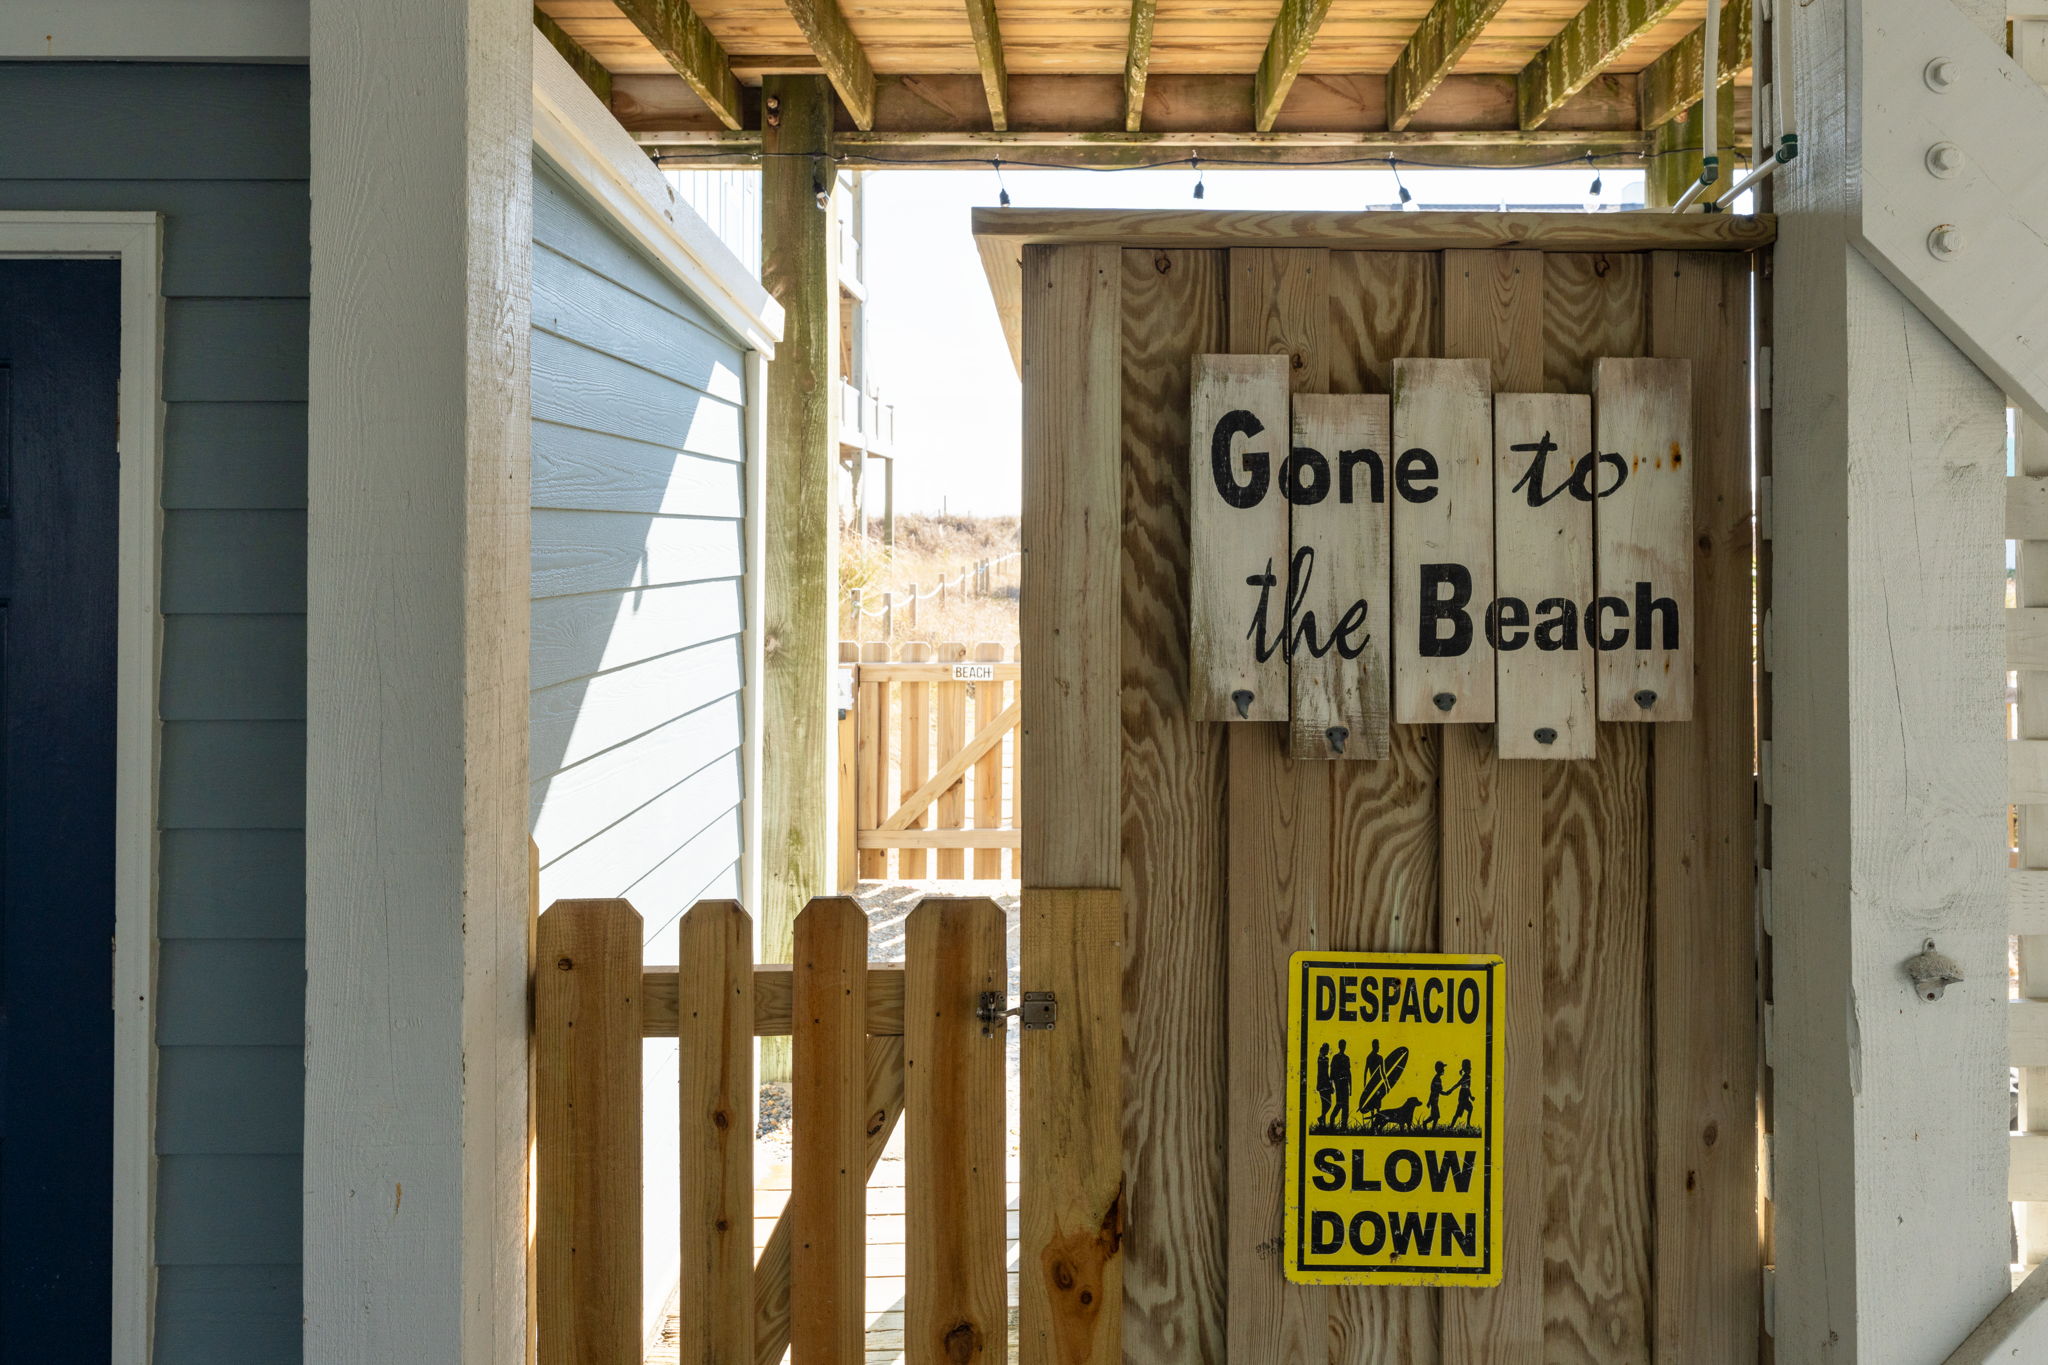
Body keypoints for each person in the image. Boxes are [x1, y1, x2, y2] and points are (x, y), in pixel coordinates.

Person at [1329, 1039, 1354, 1130]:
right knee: (1339, 1104)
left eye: (1344, 1045)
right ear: (1339, 1046)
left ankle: (1344, 1126)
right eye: (1342, 1045)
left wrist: (1351, 1087)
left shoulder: (1347, 1058)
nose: (1343, 1047)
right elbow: (1332, 1072)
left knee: (1346, 1106)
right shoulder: (1335, 1057)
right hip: (1338, 1084)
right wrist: (1332, 1084)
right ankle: (1332, 1120)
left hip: (1345, 1084)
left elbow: (1349, 1072)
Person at [1450, 1059, 1476, 1131]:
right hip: (1463, 1097)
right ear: (1466, 1069)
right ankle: (1451, 1126)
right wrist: (1450, 1091)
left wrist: (1471, 1096)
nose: (1470, 1070)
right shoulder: (1466, 1077)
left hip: (1465, 1096)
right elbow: (1458, 1084)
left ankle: (1467, 1124)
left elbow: (1467, 1088)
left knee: (1470, 1109)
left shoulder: (1468, 1077)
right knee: (1458, 1113)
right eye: (1469, 1068)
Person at [1426, 1060, 1449, 1130]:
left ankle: (1432, 1129)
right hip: (1434, 1100)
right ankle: (1426, 1124)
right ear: (1440, 1069)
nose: (1443, 1070)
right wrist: (1446, 1093)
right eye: (1442, 1068)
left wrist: (1429, 1101)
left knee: (1435, 1116)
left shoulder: (1437, 1078)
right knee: (1435, 1116)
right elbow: (1437, 1091)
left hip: (1434, 1100)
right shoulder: (1437, 1079)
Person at [1315, 1043, 1334, 1127]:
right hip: (1322, 1084)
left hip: (1326, 1083)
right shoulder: (1320, 1059)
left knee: (1329, 1104)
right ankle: (1323, 1121)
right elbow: (1321, 1072)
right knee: (1324, 1104)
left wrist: (1330, 1084)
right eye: (1327, 1049)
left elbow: (1327, 1073)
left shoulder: (1326, 1059)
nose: (1328, 1051)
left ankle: (1322, 1118)